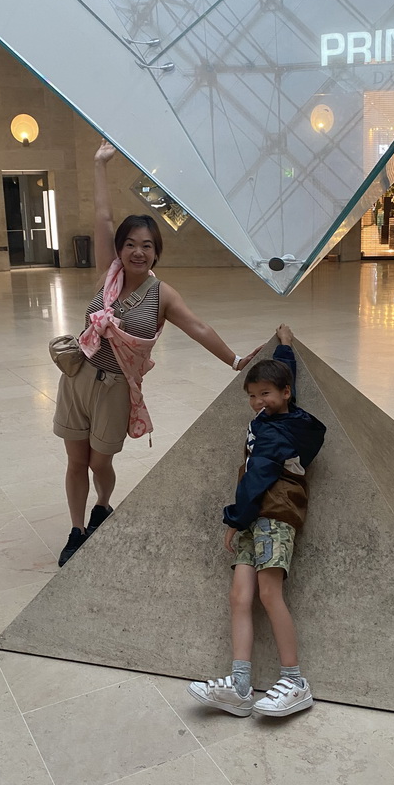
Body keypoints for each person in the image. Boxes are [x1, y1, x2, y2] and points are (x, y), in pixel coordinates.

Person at [55, 139, 261, 566]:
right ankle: (76, 530)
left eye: (146, 245)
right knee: (75, 461)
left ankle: (102, 505)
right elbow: (102, 216)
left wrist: (237, 360)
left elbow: (198, 326)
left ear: (156, 252)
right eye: (130, 243)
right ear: (120, 248)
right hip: (76, 377)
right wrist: (98, 164)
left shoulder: (161, 294)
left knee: (99, 463)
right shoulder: (105, 276)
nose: (137, 251)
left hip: (115, 389)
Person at [187, 325, 326, 718]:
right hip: (255, 516)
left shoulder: (277, 434)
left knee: (269, 595)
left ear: (285, 395)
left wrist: (234, 519)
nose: (257, 401)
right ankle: (241, 686)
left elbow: (257, 478)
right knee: (239, 596)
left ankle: (295, 681)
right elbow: (281, 377)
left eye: (264, 394)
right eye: (251, 395)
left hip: (273, 515)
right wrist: (284, 347)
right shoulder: (276, 411)